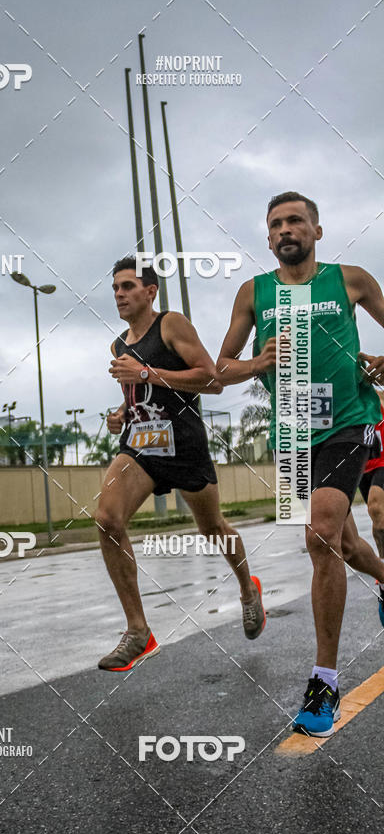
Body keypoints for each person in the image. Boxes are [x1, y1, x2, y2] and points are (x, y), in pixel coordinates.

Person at [217, 190, 384, 736]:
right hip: (292, 436)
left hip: (346, 423)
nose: (284, 230)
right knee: (344, 544)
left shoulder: (351, 279)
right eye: (275, 224)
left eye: (295, 221)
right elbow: (220, 367)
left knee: (320, 536)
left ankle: (324, 682)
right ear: (268, 238)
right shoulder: (253, 293)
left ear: (316, 230)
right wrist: (255, 362)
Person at [95, 256, 266, 673]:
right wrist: (121, 412)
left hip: (184, 446)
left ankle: (248, 589)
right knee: (106, 518)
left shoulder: (171, 324)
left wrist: (147, 372)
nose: (119, 294)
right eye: (115, 287)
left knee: (213, 530)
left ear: (150, 292)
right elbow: (138, 393)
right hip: (140, 446)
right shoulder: (119, 345)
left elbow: (211, 379)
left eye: (128, 286)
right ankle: (138, 631)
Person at [359, 387, 384, 628]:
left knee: (376, 508)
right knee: (378, 526)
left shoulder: (377, 394)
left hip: (383, 462)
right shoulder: (347, 399)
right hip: (363, 466)